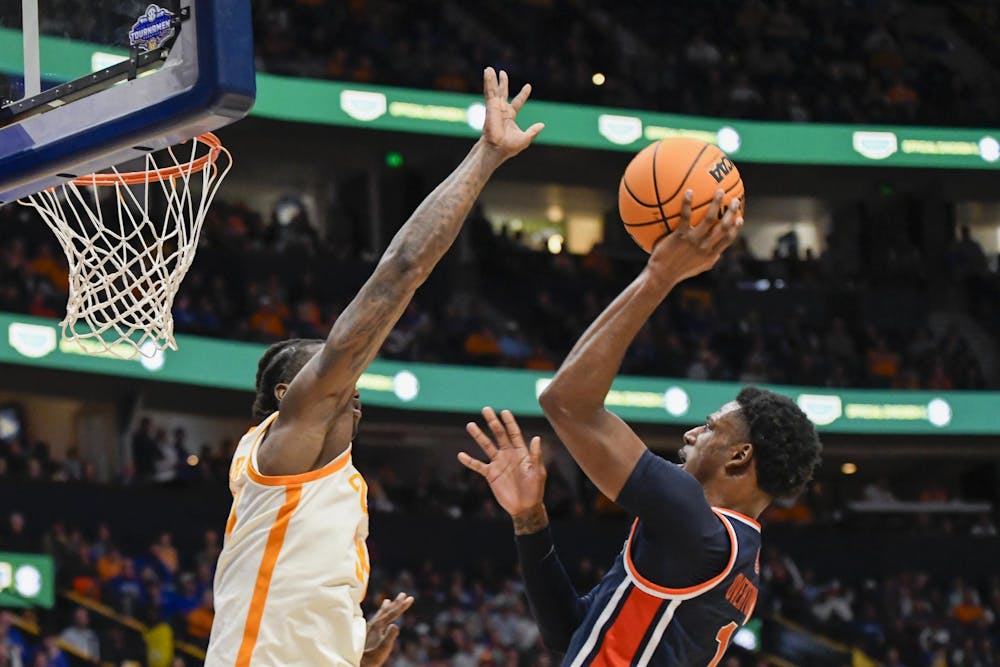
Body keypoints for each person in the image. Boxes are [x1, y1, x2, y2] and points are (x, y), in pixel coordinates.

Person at [205, 67, 544, 667]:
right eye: (331, 376)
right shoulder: (282, 452)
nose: (350, 386)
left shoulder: (316, 478)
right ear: (288, 394)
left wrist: (355, 652)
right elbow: (401, 269)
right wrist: (486, 156)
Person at [459, 190, 822, 666]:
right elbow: (569, 632)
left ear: (740, 456)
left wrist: (659, 276)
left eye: (710, 427)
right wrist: (530, 518)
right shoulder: (733, 558)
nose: (691, 435)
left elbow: (566, 403)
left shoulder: (694, 523)